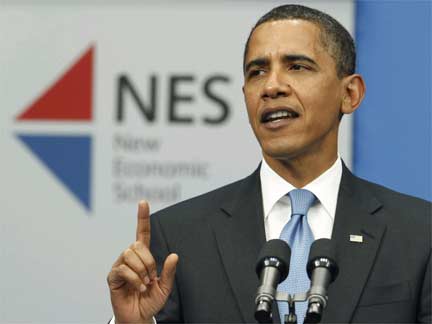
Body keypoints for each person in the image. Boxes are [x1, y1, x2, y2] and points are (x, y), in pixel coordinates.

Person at [107, 4, 431, 323]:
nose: (271, 86)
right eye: (257, 72)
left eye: (297, 66)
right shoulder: (179, 238)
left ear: (350, 94)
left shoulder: (419, 234)